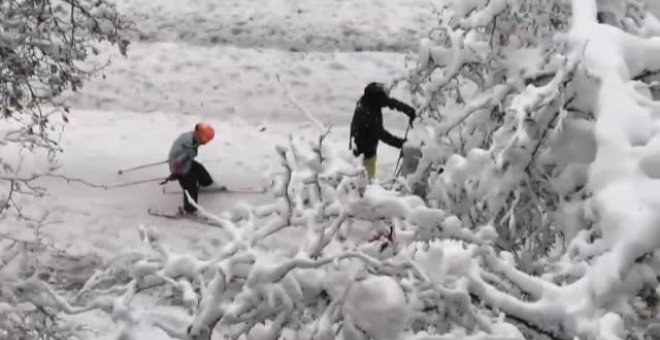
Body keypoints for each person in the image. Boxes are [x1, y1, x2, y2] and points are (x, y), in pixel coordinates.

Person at [349, 82, 416, 180]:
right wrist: (402, 144)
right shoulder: (368, 114)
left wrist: (409, 111)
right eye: (382, 97)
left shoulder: (368, 100)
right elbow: (383, 135)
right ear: (377, 97)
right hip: (363, 154)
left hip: (364, 147)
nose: (384, 100)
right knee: (365, 179)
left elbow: (390, 102)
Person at [162, 123, 217, 214]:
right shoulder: (189, 144)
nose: (204, 142)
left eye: (207, 141)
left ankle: (207, 184)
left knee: (199, 169)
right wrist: (175, 173)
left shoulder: (193, 137)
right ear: (199, 134)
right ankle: (189, 210)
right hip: (179, 166)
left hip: (186, 162)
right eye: (204, 140)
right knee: (190, 185)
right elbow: (179, 161)